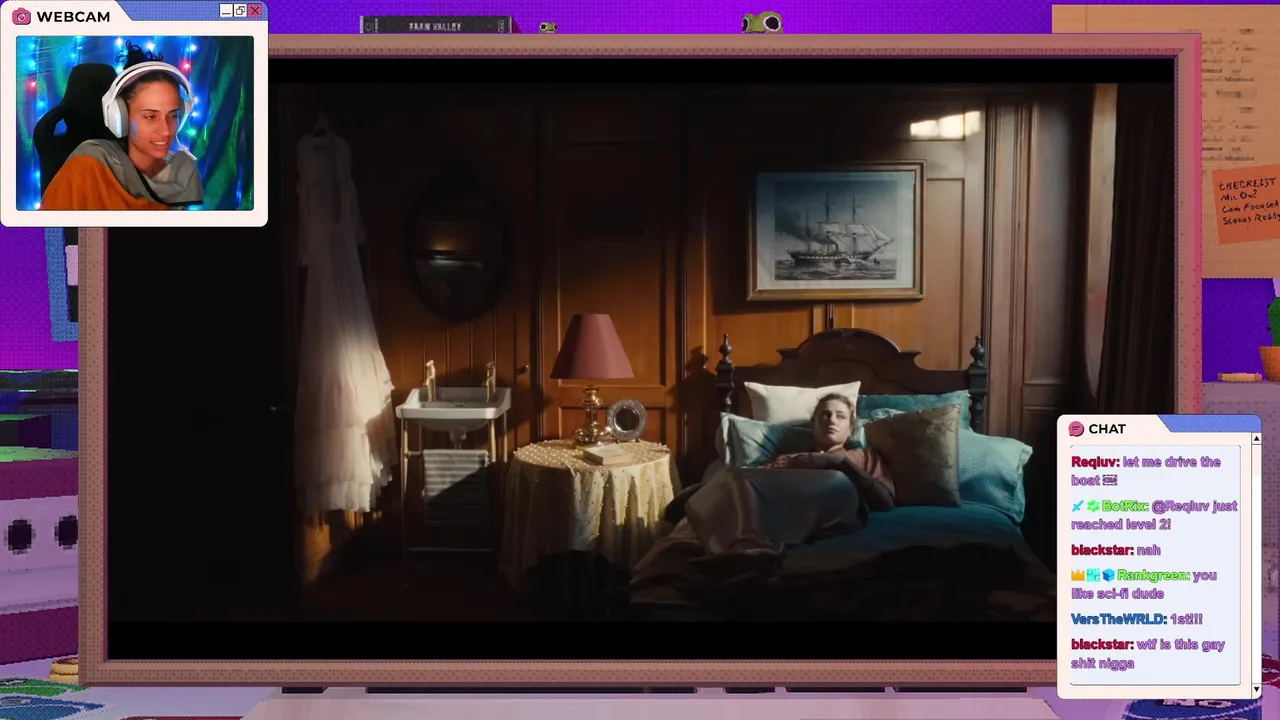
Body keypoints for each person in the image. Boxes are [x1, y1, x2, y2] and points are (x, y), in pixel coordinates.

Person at [41, 42, 203, 211]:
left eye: (173, 115)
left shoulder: (181, 171)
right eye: (150, 116)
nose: (166, 130)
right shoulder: (88, 165)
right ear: (121, 116)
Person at [762, 392, 897, 518]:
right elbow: (759, 488)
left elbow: (886, 502)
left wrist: (840, 463)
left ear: (850, 430)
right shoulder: (791, 458)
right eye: (825, 414)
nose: (832, 420)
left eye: (841, 416)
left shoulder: (865, 457)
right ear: (814, 424)